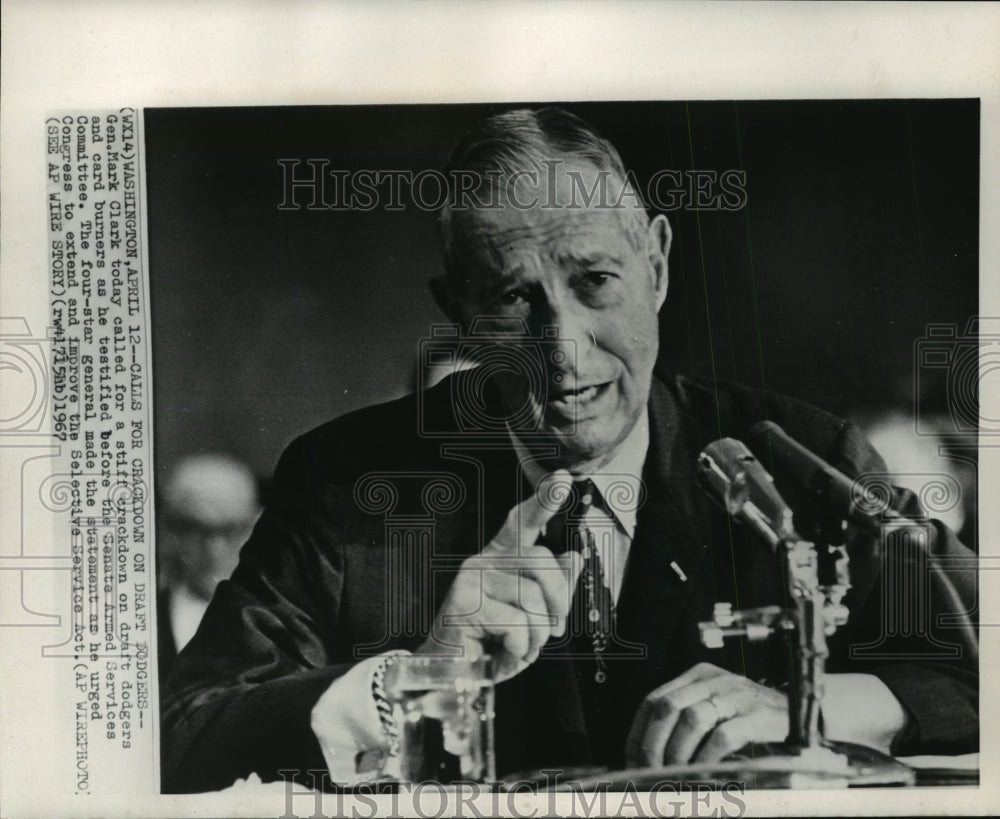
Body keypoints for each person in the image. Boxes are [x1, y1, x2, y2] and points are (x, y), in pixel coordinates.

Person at [161, 108, 977, 793]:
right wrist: (419, 677)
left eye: (595, 282)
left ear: (655, 266)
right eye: (516, 300)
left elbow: (977, 655)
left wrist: (806, 706)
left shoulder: (800, 456)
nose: (564, 351)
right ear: (462, 315)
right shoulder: (347, 479)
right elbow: (181, 730)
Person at [156, 452, 260, 679]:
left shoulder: (282, 619)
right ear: (170, 529)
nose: (214, 550)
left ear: (254, 526)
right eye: (197, 530)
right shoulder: (145, 618)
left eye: (231, 530)